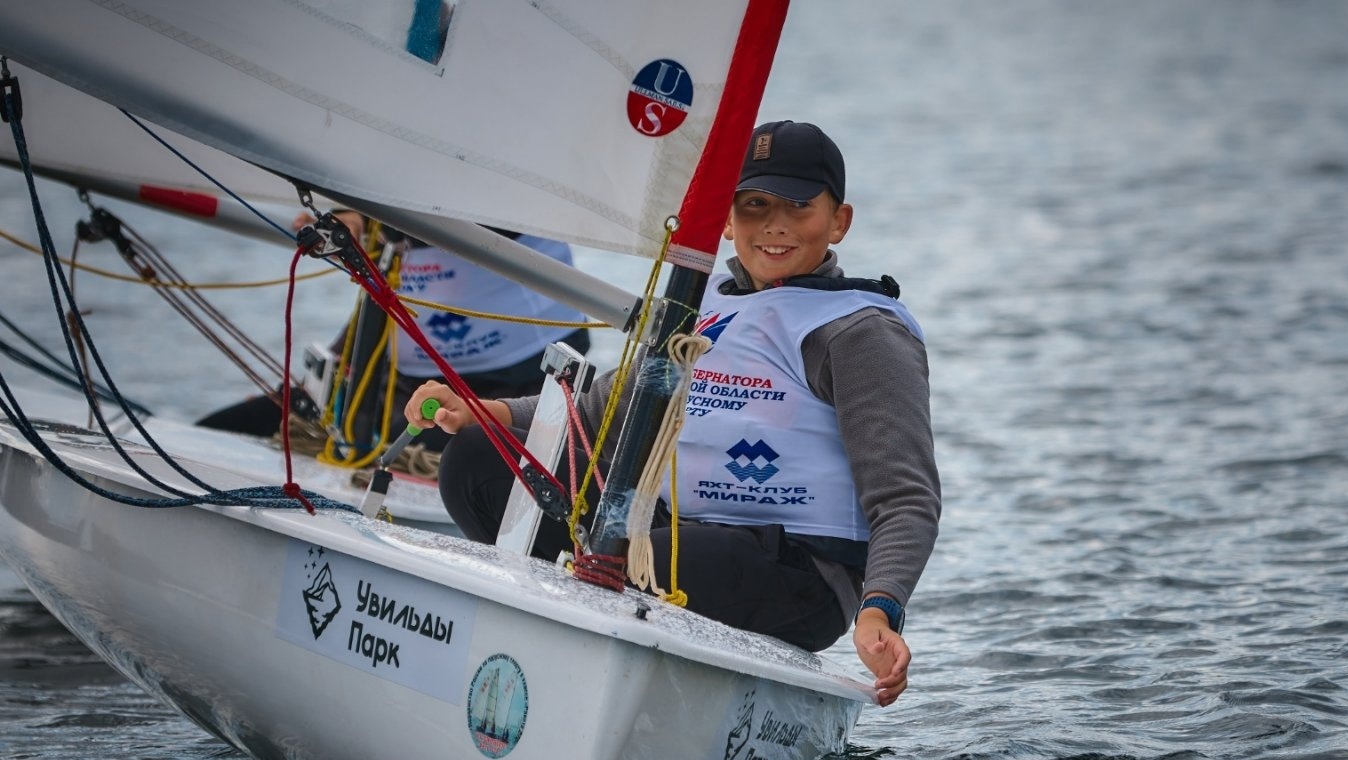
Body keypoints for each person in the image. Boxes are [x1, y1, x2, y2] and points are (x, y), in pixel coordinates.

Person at [404, 120, 940, 706]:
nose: (775, 224)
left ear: (839, 221)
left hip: (798, 573)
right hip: (669, 538)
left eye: (798, 206)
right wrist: (487, 412)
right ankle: (544, 659)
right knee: (476, 462)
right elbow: (602, 408)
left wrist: (879, 609)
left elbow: (905, 498)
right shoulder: (698, 301)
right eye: (755, 205)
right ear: (727, 219)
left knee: (638, 561)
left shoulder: (860, 333)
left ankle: (584, 664)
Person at [197, 211, 590, 444]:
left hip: (515, 378)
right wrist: (352, 216)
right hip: (395, 378)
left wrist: (367, 218)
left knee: (457, 448)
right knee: (229, 428)